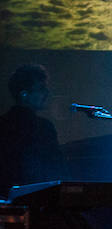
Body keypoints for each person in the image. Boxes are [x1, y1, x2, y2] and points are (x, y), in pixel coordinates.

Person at [0, 64, 67, 196]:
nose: (47, 93)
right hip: (37, 200)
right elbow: (57, 168)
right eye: (41, 89)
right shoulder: (42, 127)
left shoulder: (3, 123)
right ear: (24, 94)